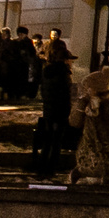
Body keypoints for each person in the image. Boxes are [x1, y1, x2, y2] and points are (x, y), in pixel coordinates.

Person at [69, 64, 109, 186]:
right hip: (88, 153)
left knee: (105, 172)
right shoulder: (86, 105)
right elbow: (74, 122)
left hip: (107, 153)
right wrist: (81, 104)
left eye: (87, 88)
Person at [34, 39, 75, 176]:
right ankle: (50, 169)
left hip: (49, 109)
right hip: (60, 109)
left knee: (48, 140)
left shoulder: (47, 70)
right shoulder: (62, 71)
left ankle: (42, 168)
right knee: (56, 141)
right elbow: (65, 93)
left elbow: (45, 92)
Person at [7, 28, 39, 102]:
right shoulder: (15, 42)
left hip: (24, 64)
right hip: (16, 64)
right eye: (19, 34)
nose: (20, 35)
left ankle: (20, 95)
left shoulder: (28, 42)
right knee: (16, 80)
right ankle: (15, 94)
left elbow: (32, 53)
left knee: (22, 80)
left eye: (22, 34)